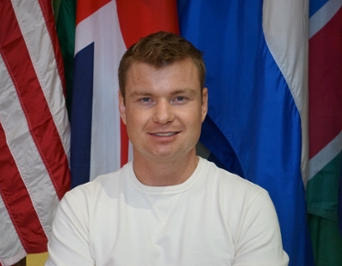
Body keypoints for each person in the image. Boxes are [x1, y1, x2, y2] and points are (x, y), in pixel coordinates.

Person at [45, 31, 289, 266]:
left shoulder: (248, 206)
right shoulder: (81, 210)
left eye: (179, 98)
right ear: (122, 107)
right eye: (146, 99)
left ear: (203, 104)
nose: (163, 116)